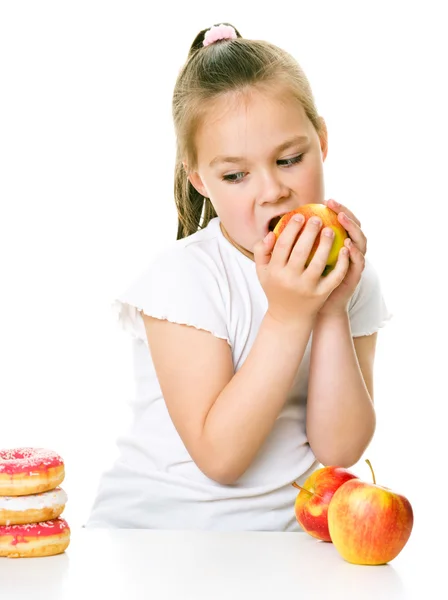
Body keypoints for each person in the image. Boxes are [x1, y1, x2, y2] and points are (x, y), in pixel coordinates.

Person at [85, 23, 392, 532]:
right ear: (200, 179)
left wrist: (333, 310)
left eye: (290, 159)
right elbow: (221, 458)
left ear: (322, 141)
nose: (272, 190)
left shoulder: (351, 276)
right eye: (236, 175)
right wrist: (290, 316)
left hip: (280, 541)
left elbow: (339, 449)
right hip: (155, 535)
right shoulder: (183, 278)